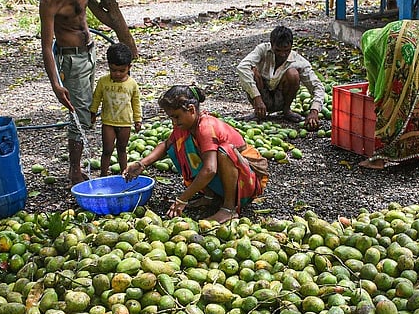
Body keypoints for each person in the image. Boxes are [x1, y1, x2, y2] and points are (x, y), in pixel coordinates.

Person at [123, 85, 269, 223]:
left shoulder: (206, 127)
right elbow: (166, 145)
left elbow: (210, 169)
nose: (174, 122)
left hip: (247, 181)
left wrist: (182, 199)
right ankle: (210, 196)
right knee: (175, 148)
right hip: (229, 178)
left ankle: (229, 208)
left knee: (223, 151)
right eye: (171, 118)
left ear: (191, 109)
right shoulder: (185, 126)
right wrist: (141, 164)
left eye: (176, 117)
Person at [39, 0, 97, 185]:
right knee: (79, 113)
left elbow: (82, 10)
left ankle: (77, 166)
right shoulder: (49, 0)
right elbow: (46, 46)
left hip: (90, 52)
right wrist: (56, 84)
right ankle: (74, 170)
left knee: (87, 109)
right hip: (70, 60)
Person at [358, 20, 419, 170]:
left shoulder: (369, 45)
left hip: (401, 42)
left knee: (392, 99)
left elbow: (376, 79)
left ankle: (379, 159)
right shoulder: (381, 35)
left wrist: (375, 95)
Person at [236, 26, 327, 131]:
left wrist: (314, 111)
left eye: (286, 50)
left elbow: (317, 86)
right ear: (271, 44)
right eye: (278, 50)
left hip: (281, 98)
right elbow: (242, 67)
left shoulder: (298, 61)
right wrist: (257, 97)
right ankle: (258, 112)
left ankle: (286, 111)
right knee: (252, 71)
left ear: (291, 47)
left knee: (293, 74)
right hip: (261, 96)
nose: (282, 54)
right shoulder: (262, 50)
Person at [90, 43, 141, 177]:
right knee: (107, 149)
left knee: (122, 149)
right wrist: (93, 112)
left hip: (125, 123)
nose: (117, 74)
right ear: (108, 66)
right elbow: (97, 97)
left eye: (121, 71)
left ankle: (124, 173)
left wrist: (138, 120)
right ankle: (103, 174)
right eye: (113, 70)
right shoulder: (103, 82)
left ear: (129, 67)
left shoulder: (132, 84)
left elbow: (136, 103)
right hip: (108, 121)